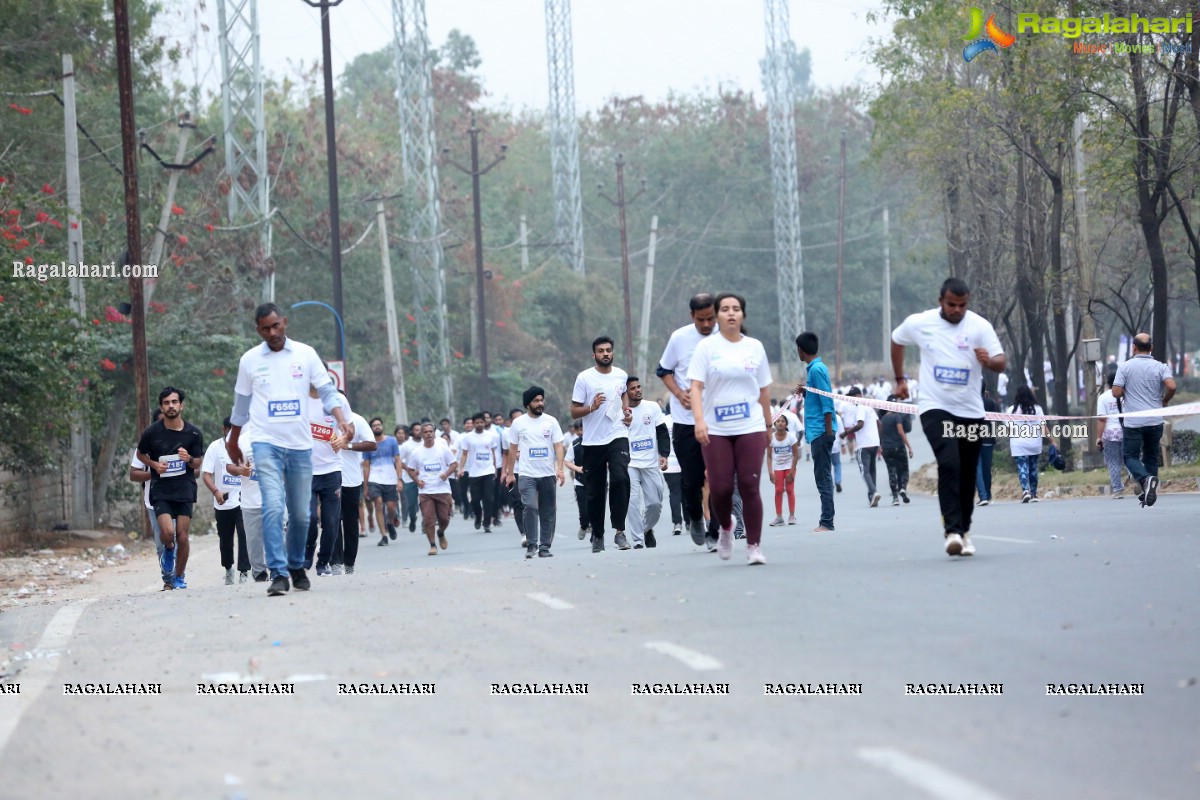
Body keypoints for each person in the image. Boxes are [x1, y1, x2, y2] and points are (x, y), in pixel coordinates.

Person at [226, 303, 351, 596]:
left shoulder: (305, 354)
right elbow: (241, 405)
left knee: (301, 514)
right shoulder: (250, 360)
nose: (272, 333)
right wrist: (232, 440)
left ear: (284, 322)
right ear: (258, 330)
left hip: (299, 446)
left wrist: (342, 419)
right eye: (265, 329)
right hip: (265, 443)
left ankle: (296, 565)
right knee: (272, 506)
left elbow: (327, 390)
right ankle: (279, 573)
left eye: (276, 326)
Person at [891, 278, 1006, 556]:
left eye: (962, 305)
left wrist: (987, 361)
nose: (956, 310)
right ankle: (952, 531)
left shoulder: (979, 326)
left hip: (970, 410)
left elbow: (1001, 361)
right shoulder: (921, 323)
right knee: (950, 463)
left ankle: (964, 530)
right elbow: (896, 340)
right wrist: (900, 378)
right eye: (951, 304)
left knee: (968, 473)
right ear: (940, 300)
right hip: (934, 406)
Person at [687, 292, 772, 565]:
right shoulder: (707, 348)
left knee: (749, 484)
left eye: (736, 309)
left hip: (751, 424)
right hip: (716, 428)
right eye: (725, 309)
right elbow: (696, 387)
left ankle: (754, 546)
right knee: (721, 488)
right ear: (718, 316)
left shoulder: (755, 347)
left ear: (743, 315)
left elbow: (764, 390)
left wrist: (768, 426)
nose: (731, 313)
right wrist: (700, 421)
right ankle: (725, 527)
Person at [657, 293, 717, 547]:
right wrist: (679, 393)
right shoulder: (679, 339)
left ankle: (715, 528)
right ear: (692, 316)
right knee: (691, 480)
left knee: (717, 478)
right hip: (685, 421)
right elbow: (663, 370)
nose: (706, 325)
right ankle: (695, 517)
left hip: (717, 421)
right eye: (701, 320)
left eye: (711, 319)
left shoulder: (725, 336)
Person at [137, 387, 204, 590]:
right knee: (167, 533)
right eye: (166, 403)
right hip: (161, 489)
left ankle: (179, 576)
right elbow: (140, 454)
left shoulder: (193, 433)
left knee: (182, 535)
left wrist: (189, 459)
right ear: (162, 407)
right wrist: (155, 465)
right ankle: (168, 548)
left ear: (181, 405)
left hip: (184, 488)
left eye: (174, 402)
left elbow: (197, 463)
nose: (171, 406)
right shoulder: (152, 432)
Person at [571, 335, 633, 553]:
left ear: (612, 353)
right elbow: (573, 411)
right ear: (594, 354)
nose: (605, 354)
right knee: (595, 492)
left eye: (608, 350)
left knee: (621, 478)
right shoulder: (584, 378)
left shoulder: (621, 375)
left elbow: (623, 394)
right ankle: (597, 534)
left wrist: (626, 412)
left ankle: (620, 532)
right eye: (601, 351)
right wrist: (592, 407)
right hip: (593, 441)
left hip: (617, 435)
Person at [1112, 333, 1176, 507]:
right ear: (1151, 348)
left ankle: (1146, 480)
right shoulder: (1160, 367)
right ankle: (1149, 488)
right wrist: (1165, 399)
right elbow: (1171, 386)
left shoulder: (1125, 367)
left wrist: (1128, 390)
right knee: (1151, 457)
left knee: (1130, 456)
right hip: (1155, 421)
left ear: (1134, 347)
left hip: (1134, 422)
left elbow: (1116, 392)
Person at [503, 387, 566, 558]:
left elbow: (558, 445)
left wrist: (559, 469)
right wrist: (509, 474)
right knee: (530, 506)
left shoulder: (551, 421)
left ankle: (544, 546)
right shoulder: (518, 423)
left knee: (548, 510)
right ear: (528, 404)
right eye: (536, 401)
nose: (540, 404)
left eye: (541, 400)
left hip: (547, 474)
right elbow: (512, 449)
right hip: (526, 474)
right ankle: (532, 544)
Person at [306, 378, 353, 575]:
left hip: (331, 470)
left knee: (331, 521)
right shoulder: (298, 399)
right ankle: (306, 556)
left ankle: (323, 562)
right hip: (305, 471)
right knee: (307, 518)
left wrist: (342, 439)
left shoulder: (338, 400)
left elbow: (350, 430)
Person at [201, 417, 250, 585]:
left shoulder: (244, 446)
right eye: (230, 431)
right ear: (224, 429)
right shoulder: (215, 447)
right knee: (225, 539)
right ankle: (228, 568)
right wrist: (215, 491)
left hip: (243, 499)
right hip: (223, 500)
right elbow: (206, 474)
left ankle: (244, 571)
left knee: (244, 534)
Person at [795, 332, 836, 532]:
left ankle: (827, 521)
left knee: (823, 477)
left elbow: (827, 400)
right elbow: (818, 395)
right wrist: (806, 392)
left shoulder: (817, 369)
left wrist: (828, 431)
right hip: (817, 431)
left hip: (821, 431)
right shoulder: (813, 370)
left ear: (801, 350)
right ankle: (826, 520)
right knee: (822, 476)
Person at [623, 376, 670, 549]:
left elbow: (662, 432)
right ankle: (637, 541)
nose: (638, 390)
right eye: (633, 388)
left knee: (655, 503)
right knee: (632, 502)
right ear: (625, 392)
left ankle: (647, 528)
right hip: (630, 464)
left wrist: (664, 454)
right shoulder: (620, 412)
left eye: (639, 387)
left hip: (651, 464)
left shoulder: (652, 407)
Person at [129, 410, 172, 590]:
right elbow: (133, 474)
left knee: (178, 537)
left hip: (177, 498)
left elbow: (195, 470)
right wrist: (153, 473)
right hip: (154, 501)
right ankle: (168, 579)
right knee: (163, 542)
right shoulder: (145, 448)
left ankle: (178, 576)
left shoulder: (181, 443)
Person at [333, 399, 375, 574]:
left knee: (350, 523)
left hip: (351, 480)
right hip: (329, 477)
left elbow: (372, 444)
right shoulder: (321, 420)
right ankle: (335, 562)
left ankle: (349, 562)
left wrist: (347, 445)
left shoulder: (357, 421)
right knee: (332, 520)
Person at [405, 422, 458, 555]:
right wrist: (417, 481)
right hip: (426, 491)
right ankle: (432, 545)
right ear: (421, 435)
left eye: (431, 431)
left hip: (443, 489)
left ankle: (440, 532)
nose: (428, 433)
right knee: (428, 520)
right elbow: (410, 469)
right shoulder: (416, 452)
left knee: (444, 519)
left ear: (434, 434)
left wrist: (446, 474)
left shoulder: (443, 449)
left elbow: (454, 463)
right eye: (425, 432)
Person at [459, 413, 499, 532]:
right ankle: (478, 516)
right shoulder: (467, 438)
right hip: (474, 472)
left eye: (481, 422)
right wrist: (461, 468)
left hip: (488, 471)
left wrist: (495, 468)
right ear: (473, 423)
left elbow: (493, 453)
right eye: (477, 423)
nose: (479, 424)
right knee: (475, 499)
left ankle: (486, 523)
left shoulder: (491, 436)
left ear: (484, 423)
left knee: (489, 498)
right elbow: (464, 454)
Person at [1008, 385, 1048, 503]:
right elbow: (1043, 426)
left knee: (1022, 467)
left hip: (1019, 443)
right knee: (1033, 468)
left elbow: (1009, 429)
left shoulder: (1011, 410)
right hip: (1034, 443)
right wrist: (1052, 441)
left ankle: (1026, 491)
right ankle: (1034, 494)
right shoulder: (1037, 409)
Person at [364, 418, 402, 545]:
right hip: (374, 479)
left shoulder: (392, 441)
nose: (377, 427)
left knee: (391, 507)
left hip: (390, 479)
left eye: (379, 424)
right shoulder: (368, 444)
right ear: (371, 428)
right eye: (374, 425)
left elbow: (397, 460)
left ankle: (390, 523)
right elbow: (366, 465)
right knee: (378, 504)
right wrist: (365, 486)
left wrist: (399, 479)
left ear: (382, 426)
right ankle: (383, 536)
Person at [843, 387, 882, 507]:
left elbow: (860, 425)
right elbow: (879, 424)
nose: (851, 399)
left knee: (864, 471)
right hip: (874, 443)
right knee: (872, 469)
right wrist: (878, 440)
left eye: (853, 396)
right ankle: (872, 497)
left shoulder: (860, 406)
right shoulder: (869, 406)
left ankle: (874, 491)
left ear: (859, 395)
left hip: (864, 444)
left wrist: (846, 433)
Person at [1095, 372, 1127, 499]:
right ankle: (1137, 479)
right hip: (1127, 430)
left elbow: (1102, 419)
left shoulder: (1103, 398)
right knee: (1130, 459)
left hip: (1110, 433)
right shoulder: (1127, 394)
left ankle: (1118, 490)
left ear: (1107, 382)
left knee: (1113, 462)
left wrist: (1099, 437)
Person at [879, 397, 914, 506]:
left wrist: (880, 447)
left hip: (887, 448)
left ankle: (895, 497)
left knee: (891, 471)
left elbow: (880, 434)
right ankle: (902, 488)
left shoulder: (882, 419)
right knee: (904, 469)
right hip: (899, 446)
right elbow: (901, 432)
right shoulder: (897, 417)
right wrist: (909, 447)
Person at [766, 414, 799, 526]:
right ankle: (779, 517)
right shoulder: (771, 438)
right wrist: (770, 472)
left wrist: (792, 471)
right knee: (778, 490)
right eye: (778, 421)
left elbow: (795, 455)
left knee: (790, 489)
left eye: (783, 421)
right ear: (774, 424)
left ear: (786, 424)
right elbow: (769, 456)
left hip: (790, 466)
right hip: (778, 467)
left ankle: (792, 515)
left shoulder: (791, 437)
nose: (780, 423)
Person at [563, 421, 589, 539]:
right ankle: (584, 525)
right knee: (584, 512)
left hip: (597, 481)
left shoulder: (599, 441)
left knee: (597, 510)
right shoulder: (574, 444)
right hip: (580, 481)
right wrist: (577, 469)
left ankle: (596, 537)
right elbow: (567, 461)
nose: (580, 432)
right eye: (578, 430)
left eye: (582, 429)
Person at [662, 409, 685, 536]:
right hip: (684, 460)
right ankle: (689, 521)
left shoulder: (663, 421)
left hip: (669, 462)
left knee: (674, 492)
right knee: (687, 491)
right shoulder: (684, 419)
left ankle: (677, 523)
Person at [975, 387, 999, 506]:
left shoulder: (970, 401)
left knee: (977, 467)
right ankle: (988, 495)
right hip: (988, 438)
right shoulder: (991, 402)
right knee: (986, 468)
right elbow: (996, 420)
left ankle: (982, 496)